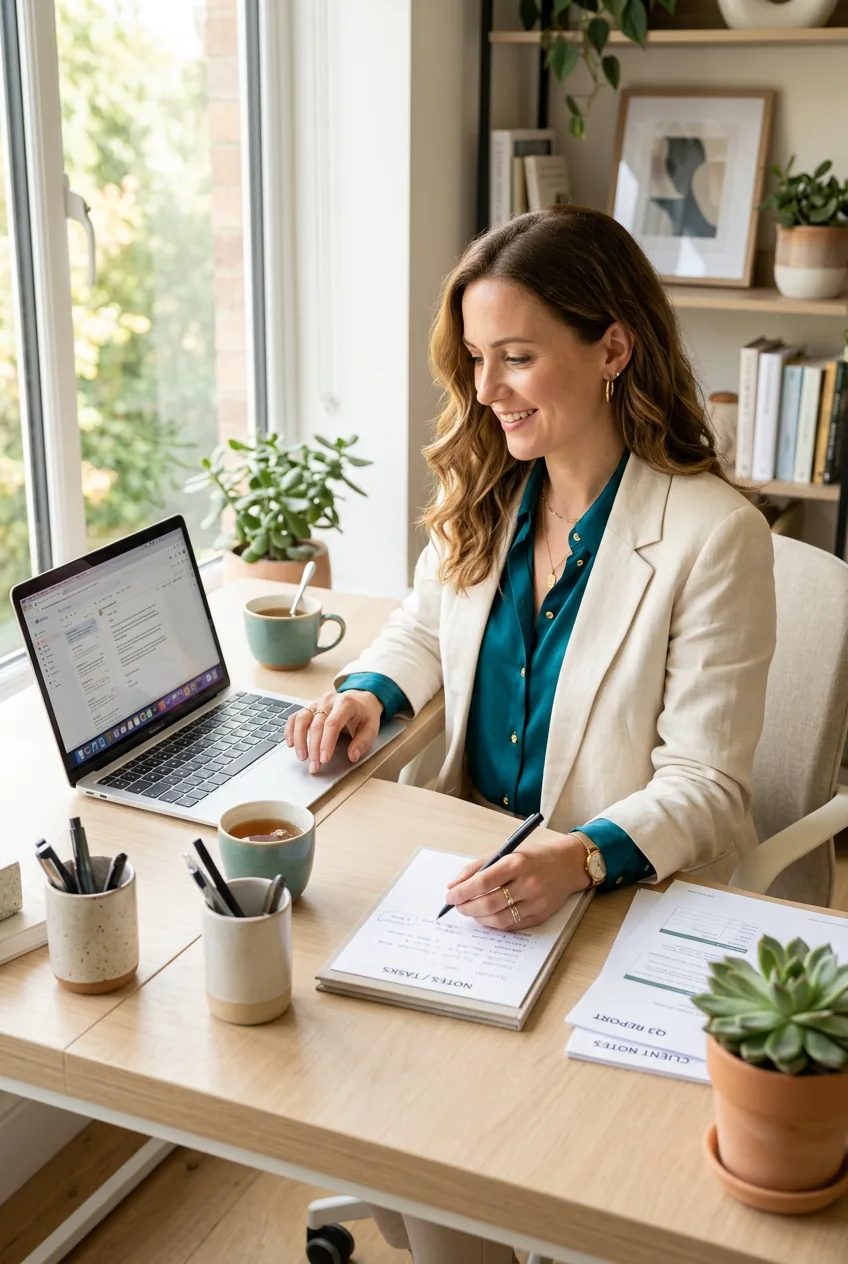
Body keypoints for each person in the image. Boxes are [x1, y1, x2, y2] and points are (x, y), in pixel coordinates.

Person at [285, 205, 777, 1264]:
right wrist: (371, 690)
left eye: (516, 356)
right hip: (462, 892)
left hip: (605, 903)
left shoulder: (709, 536)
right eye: (473, 358)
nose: (484, 388)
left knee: (445, 1160)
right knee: (386, 1118)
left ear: (611, 347)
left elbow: (706, 784)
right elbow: (425, 622)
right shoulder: (487, 486)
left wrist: (579, 854)